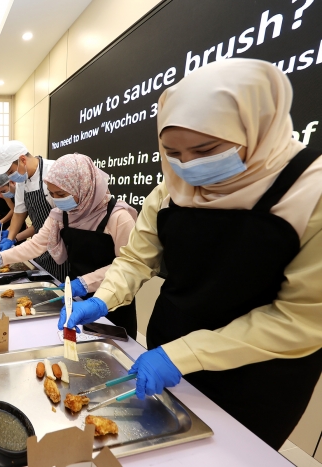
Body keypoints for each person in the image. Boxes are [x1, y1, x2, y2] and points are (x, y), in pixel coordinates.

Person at [65, 59, 322, 450]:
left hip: (257, 377)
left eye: (206, 150)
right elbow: (137, 260)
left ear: (256, 127)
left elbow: (300, 319)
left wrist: (184, 353)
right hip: (168, 352)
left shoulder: (309, 193)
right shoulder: (171, 187)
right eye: (173, 153)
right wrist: (103, 298)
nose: (188, 166)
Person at [0, 154, 139, 338]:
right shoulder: (61, 214)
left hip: (113, 301)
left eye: (61, 195)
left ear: (83, 185)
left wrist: (86, 283)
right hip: (77, 296)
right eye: (52, 194)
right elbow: (37, 245)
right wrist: (0, 257)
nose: (57, 201)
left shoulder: (118, 217)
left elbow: (128, 266)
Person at [0, 141, 69, 281]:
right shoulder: (23, 179)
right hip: (39, 244)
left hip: (62, 244)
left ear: (22, 160)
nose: (10, 177)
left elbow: (64, 215)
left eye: (10, 172)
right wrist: (10, 239)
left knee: (61, 283)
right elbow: (19, 212)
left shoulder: (53, 171)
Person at [0, 173, 30, 239]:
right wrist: (8, 231)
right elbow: (17, 215)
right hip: (14, 227)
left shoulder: (24, 193)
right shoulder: (11, 194)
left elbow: (18, 215)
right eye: (0, 192)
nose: (2, 194)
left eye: (3, 191)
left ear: (12, 182)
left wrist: (12, 237)